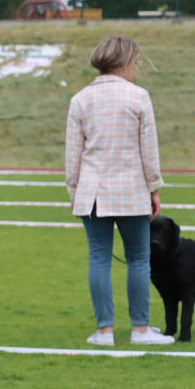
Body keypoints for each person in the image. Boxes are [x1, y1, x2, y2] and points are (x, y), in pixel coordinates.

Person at [66, 35, 173, 347]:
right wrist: (154, 188)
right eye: (136, 63)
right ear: (124, 63)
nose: (136, 68)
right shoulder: (139, 97)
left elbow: (73, 155)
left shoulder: (79, 99)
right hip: (132, 191)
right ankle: (140, 330)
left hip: (92, 192)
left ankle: (104, 332)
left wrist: (74, 192)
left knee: (99, 258)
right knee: (139, 259)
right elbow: (148, 152)